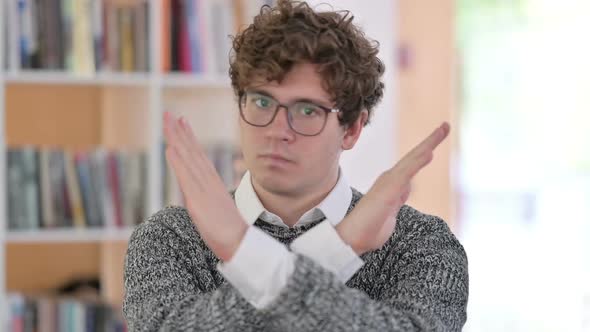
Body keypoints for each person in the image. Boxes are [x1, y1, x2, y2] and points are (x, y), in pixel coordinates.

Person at [123, 0, 469, 331]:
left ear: (351, 129)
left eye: (307, 111)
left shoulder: (419, 241)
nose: (277, 131)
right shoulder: (169, 237)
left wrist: (243, 251)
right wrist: (339, 247)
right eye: (261, 101)